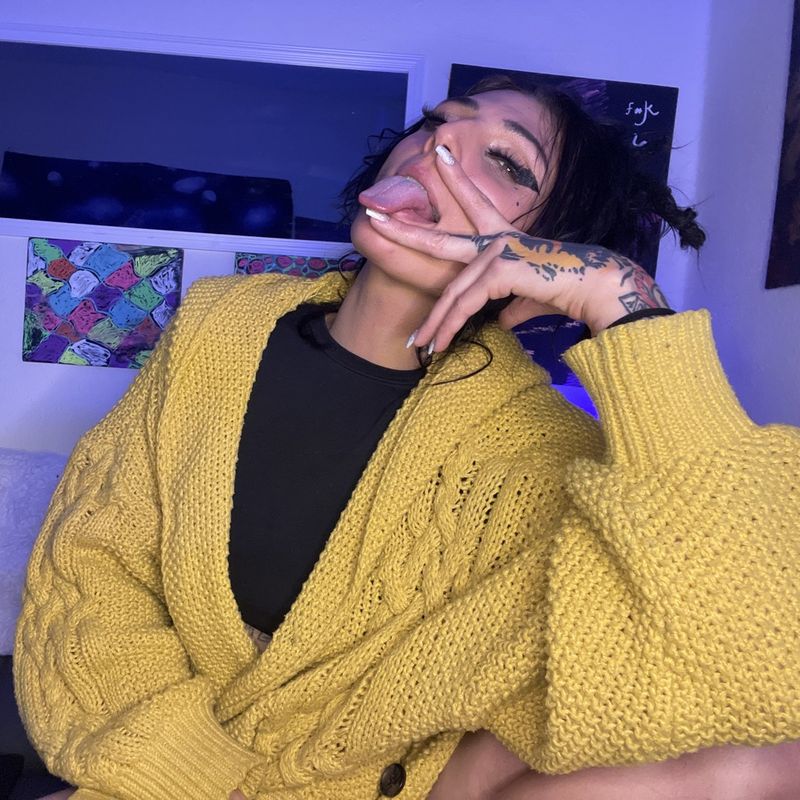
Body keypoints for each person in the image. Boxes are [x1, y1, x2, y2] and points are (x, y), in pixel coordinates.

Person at [14, 75, 800, 800]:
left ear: (543, 261)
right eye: (433, 123)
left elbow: (762, 667)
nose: (439, 143)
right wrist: (198, 777)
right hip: (156, 774)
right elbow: (92, 565)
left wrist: (621, 297)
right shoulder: (217, 326)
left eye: (506, 161)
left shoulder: (544, 455)